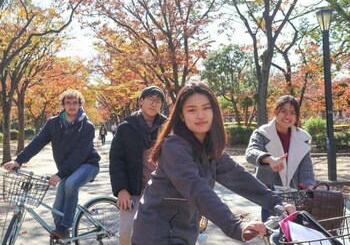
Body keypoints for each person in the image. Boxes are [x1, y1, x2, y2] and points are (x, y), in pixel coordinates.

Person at [131, 82, 295, 245]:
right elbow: (197, 190)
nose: (200, 115)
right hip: (155, 234)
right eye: (192, 110)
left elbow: (238, 177)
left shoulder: (209, 148)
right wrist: (236, 226)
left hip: (183, 233)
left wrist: (277, 203)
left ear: (214, 112)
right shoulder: (174, 147)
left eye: (206, 108)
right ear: (181, 115)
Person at [3, 89, 100, 240]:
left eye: (75, 103)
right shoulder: (53, 123)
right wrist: (18, 160)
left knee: (70, 184)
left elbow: (78, 156)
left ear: (80, 105)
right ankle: (61, 235)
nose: (72, 106)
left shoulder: (87, 126)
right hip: (68, 169)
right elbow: (37, 142)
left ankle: (65, 227)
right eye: (68, 102)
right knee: (56, 211)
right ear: (63, 105)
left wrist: (59, 174)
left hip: (88, 165)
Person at [109, 85, 167, 245]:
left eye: (159, 101)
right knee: (127, 234)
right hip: (133, 190)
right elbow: (116, 160)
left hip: (161, 190)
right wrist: (121, 189)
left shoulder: (167, 127)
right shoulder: (126, 127)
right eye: (151, 99)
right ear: (141, 101)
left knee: (161, 235)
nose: (154, 103)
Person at [245, 95, 315, 222]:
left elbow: (306, 167)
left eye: (293, 113)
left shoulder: (302, 137)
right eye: (284, 111)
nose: (288, 116)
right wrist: (269, 159)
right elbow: (251, 153)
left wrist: (309, 186)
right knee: (274, 231)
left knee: (294, 233)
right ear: (275, 111)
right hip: (270, 194)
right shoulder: (262, 133)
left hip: (295, 194)